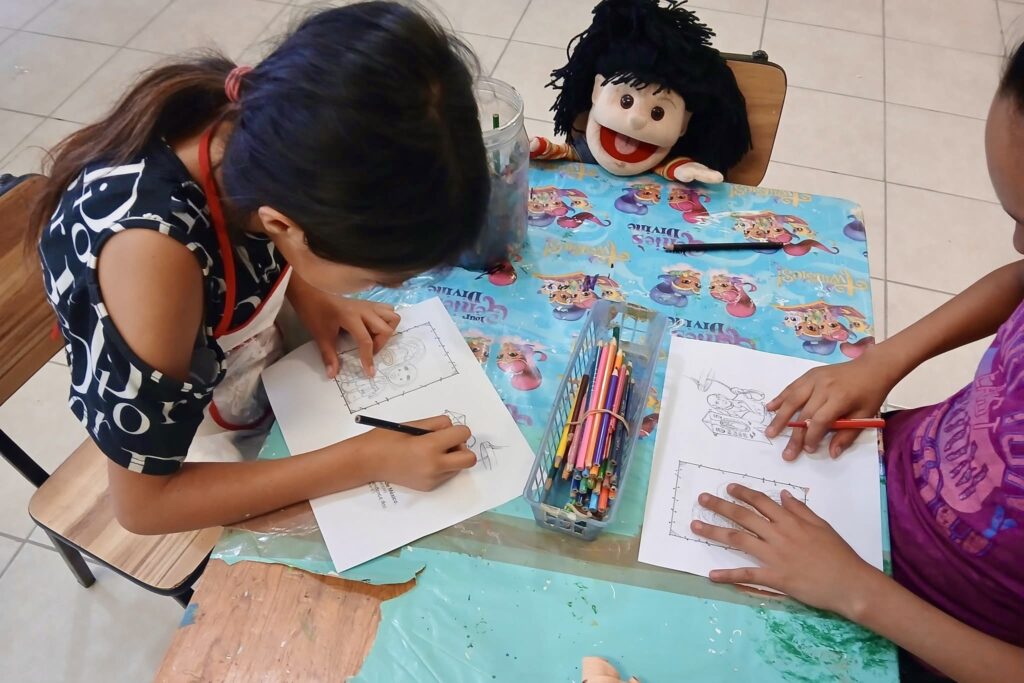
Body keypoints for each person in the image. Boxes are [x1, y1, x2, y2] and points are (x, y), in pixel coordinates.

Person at [35, 2, 489, 535]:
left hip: (241, 360)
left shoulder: (265, 129)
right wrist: (365, 459)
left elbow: (264, 235)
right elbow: (144, 507)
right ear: (287, 225)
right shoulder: (152, 259)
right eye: (378, 277)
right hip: (180, 449)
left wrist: (313, 295)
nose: (388, 288)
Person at [689, 45, 1024, 683]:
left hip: (925, 640)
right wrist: (882, 363)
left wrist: (857, 592)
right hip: (877, 472)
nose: (1017, 242)